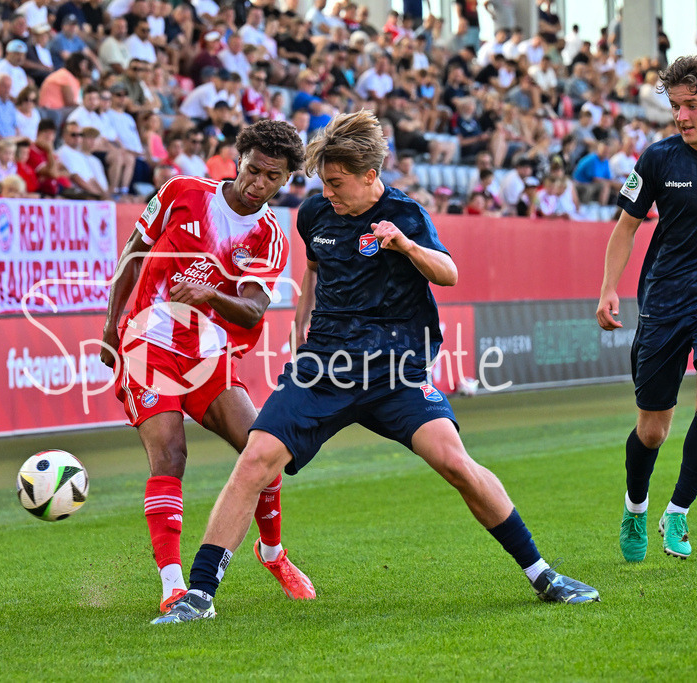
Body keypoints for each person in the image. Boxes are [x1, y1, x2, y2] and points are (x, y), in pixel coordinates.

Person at [154, 110, 600, 624]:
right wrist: (303, 323)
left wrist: (407, 246)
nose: (329, 193)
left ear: (371, 176)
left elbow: (450, 273)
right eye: (323, 182)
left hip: (395, 372)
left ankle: (543, 574)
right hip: (324, 367)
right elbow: (315, 269)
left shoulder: (405, 215)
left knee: (455, 462)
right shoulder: (315, 215)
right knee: (255, 458)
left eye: (339, 183)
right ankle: (201, 595)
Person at [101, 119, 316, 615]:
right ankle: (173, 584)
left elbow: (254, 311)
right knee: (171, 455)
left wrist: (209, 295)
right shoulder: (181, 191)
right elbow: (132, 255)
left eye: (272, 176)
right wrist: (112, 327)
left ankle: (273, 553)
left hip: (207, 355)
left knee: (262, 449)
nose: (257, 182)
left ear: (285, 181)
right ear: (239, 158)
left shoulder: (269, 236)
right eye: (253, 168)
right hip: (147, 343)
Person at [596, 55, 697, 563]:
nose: (681, 117)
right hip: (664, 304)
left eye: (692, 106)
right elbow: (626, 227)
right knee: (652, 429)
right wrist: (608, 288)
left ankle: (677, 511)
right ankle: (636, 506)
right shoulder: (658, 160)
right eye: (675, 106)